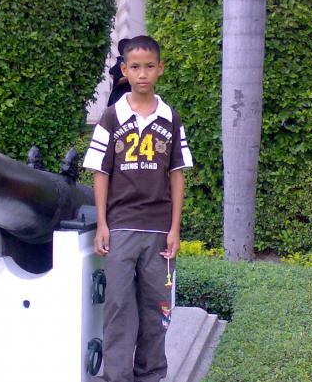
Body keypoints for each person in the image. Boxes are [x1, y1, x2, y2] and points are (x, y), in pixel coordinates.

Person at [83, 35, 193, 382]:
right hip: (121, 228)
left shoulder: (171, 119)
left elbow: (177, 175)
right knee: (117, 305)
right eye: (135, 67)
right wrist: (102, 224)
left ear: (160, 69)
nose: (142, 74)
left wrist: (175, 229)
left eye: (149, 66)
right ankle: (117, 376)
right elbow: (101, 173)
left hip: (159, 231)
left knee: (157, 307)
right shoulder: (111, 117)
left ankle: (151, 374)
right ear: (124, 71)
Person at [107, 38, 132, 107]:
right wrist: (131, 76)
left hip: (125, 99)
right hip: (118, 100)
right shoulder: (121, 62)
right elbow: (117, 80)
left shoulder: (128, 62)